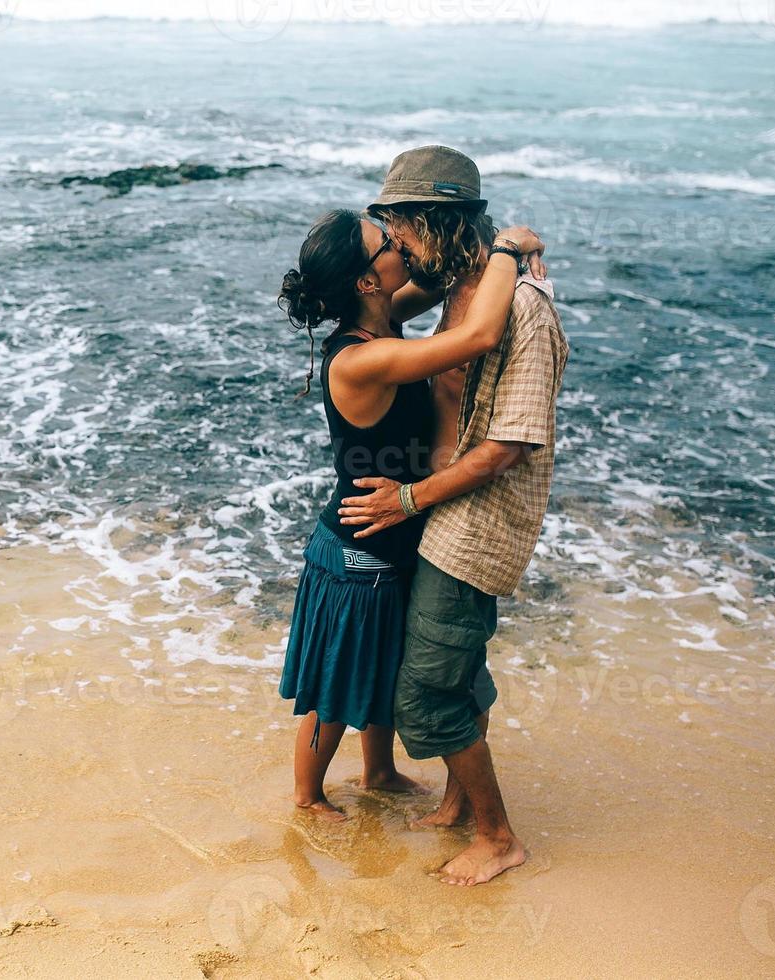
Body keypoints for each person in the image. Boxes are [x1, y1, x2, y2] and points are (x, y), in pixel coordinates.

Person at [342, 145, 569, 884]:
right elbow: (382, 314)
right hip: (440, 511)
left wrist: (408, 497)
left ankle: (499, 837)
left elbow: (509, 444)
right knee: (458, 663)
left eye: (401, 228)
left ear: (437, 222)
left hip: (475, 518)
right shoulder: (458, 285)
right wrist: (510, 246)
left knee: (426, 691)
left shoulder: (522, 309)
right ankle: (459, 803)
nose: (397, 247)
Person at [276, 206, 545, 822]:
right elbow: (476, 336)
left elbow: (447, 279)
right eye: (386, 243)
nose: (399, 243)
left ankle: (378, 771)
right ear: (368, 280)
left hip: (387, 530)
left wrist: (474, 248)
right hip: (358, 546)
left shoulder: (385, 319)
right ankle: (307, 796)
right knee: (338, 682)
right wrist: (507, 248)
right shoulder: (358, 358)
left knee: (379, 662)